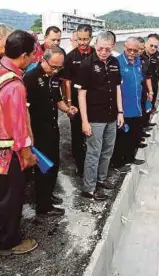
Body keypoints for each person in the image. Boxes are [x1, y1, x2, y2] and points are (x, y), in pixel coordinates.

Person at [24, 47, 78, 217]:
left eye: (58, 68)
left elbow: (57, 100)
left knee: (53, 163)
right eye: (52, 66)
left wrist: (68, 110)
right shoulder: (31, 78)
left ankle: (48, 195)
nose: (55, 70)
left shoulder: (54, 78)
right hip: (37, 130)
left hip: (52, 127)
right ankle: (43, 205)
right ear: (43, 60)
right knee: (42, 167)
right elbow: (23, 109)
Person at [0, 30, 38, 255]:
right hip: (6, 153)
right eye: (32, 54)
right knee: (10, 198)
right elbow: (19, 127)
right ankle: (8, 242)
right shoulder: (14, 85)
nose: (34, 58)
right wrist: (27, 155)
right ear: (23, 56)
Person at [77, 31, 124, 201]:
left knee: (107, 150)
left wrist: (120, 112)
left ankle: (101, 179)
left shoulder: (115, 62)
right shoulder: (86, 65)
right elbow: (81, 94)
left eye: (107, 49)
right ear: (95, 46)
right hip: (95, 117)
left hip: (111, 115)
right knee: (93, 153)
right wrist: (84, 121)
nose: (103, 52)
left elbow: (117, 88)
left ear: (113, 47)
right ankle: (89, 188)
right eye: (100, 49)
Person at [62, 24, 94, 177]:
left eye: (85, 39)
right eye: (80, 39)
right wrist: (69, 104)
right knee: (77, 134)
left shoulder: (96, 53)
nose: (82, 42)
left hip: (93, 101)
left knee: (93, 132)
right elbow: (66, 81)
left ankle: (92, 164)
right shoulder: (70, 57)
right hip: (75, 100)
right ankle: (80, 166)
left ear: (91, 38)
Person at [112, 37, 146, 171]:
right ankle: (118, 164)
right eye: (129, 49)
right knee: (122, 137)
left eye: (135, 50)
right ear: (124, 47)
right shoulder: (118, 62)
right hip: (123, 107)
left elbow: (140, 80)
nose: (131, 53)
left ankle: (130, 157)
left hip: (136, 106)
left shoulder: (138, 62)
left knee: (134, 134)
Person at [144, 33, 159, 116]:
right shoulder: (141, 54)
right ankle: (143, 125)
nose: (153, 48)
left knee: (152, 102)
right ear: (146, 43)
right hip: (144, 84)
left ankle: (147, 122)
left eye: (155, 46)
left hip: (154, 82)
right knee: (144, 104)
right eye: (151, 45)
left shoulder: (157, 54)